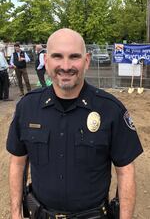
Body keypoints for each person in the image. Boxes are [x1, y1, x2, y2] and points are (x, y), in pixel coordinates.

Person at [6, 28, 143, 219]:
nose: (66, 65)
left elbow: (126, 171)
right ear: (46, 61)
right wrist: (15, 212)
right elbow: (17, 162)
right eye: (57, 56)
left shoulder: (111, 109)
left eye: (74, 57)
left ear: (86, 61)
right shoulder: (27, 107)